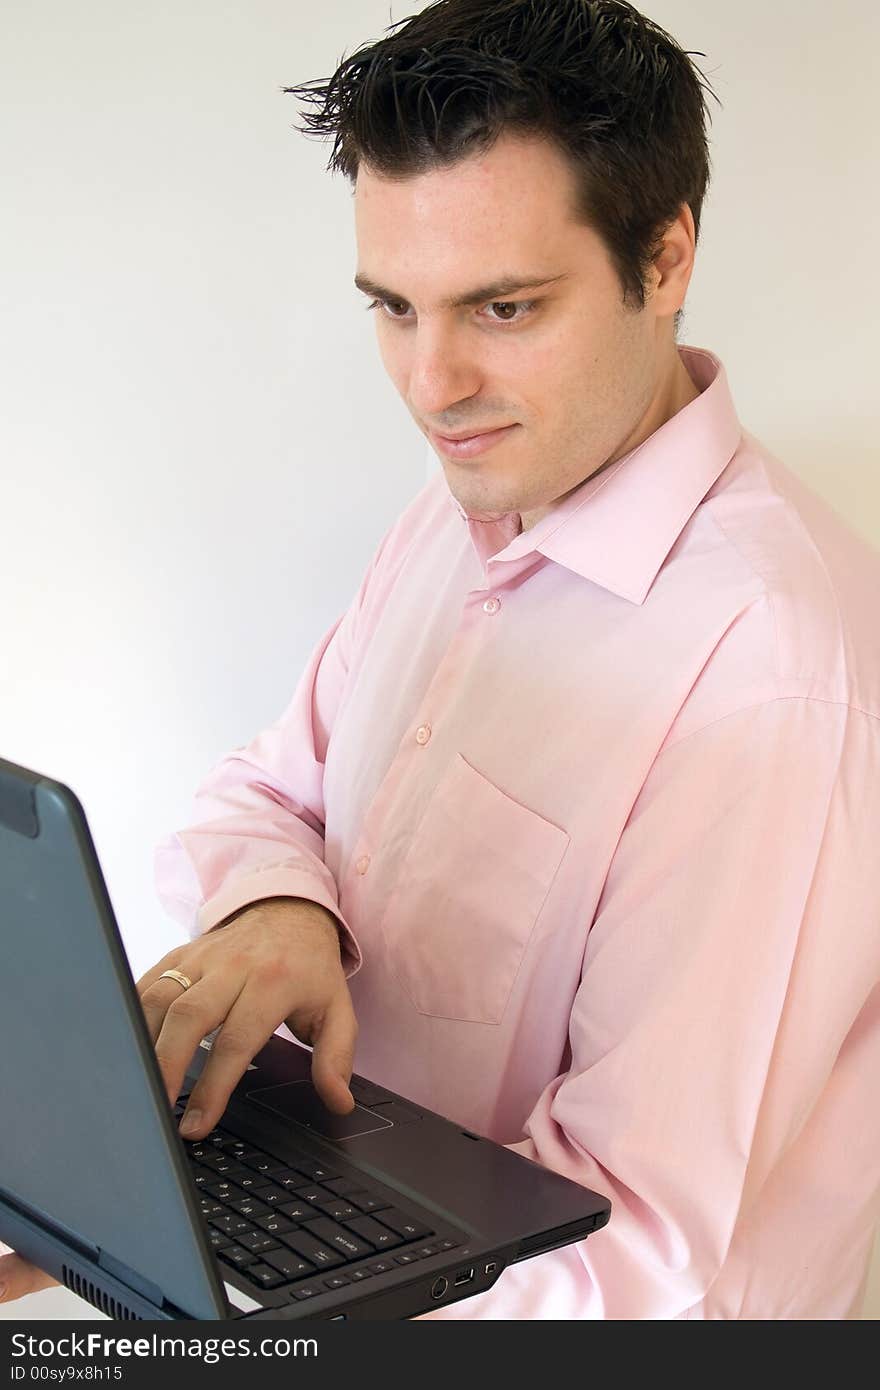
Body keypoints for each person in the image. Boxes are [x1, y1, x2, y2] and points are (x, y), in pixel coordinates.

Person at [3, 0, 879, 1320]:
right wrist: (284, 911)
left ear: (667, 252)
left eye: (504, 306)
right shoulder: (467, 501)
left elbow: (645, 1266)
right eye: (393, 307)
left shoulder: (768, 673)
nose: (431, 382)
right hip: (324, 1241)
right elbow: (269, 790)